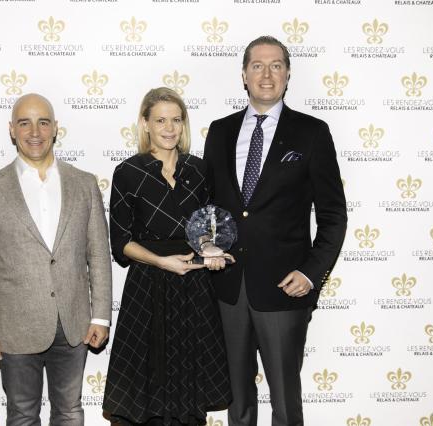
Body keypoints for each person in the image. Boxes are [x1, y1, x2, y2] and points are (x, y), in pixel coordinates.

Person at [203, 36, 348, 426]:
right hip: (228, 290)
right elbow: (205, 205)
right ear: (244, 75)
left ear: (287, 74)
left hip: (286, 289)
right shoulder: (219, 131)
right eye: (257, 66)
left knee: (285, 403)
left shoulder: (312, 132)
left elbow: (334, 215)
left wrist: (311, 273)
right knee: (236, 402)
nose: (266, 75)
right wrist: (205, 245)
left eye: (276, 65)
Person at [0, 93, 112, 426]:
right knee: (22, 414)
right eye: (25, 123)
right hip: (15, 327)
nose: (35, 132)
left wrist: (101, 316)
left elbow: (99, 255)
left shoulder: (84, 184)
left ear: (55, 128)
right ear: (11, 130)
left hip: (74, 324)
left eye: (43, 122)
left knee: (69, 411)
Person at [103, 87, 232, 425]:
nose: (169, 128)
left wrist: (211, 252)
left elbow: (203, 228)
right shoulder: (128, 172)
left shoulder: (199, 169)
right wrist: (161, 261)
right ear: (145, 123)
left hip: (193, 288)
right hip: (148, 287)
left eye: (176, 120)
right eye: (160, 120)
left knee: (189, 392)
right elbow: (121, 242)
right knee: (146, 391)